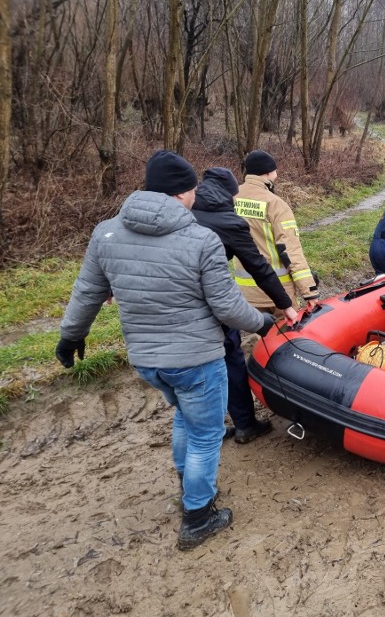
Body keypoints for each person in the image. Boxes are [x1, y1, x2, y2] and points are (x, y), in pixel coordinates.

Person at [55, 150, 277, 551]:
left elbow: (88, 291)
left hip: (147, 359)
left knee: (185, 418)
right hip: (195, 358)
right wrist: (265, 323)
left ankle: (186, 482)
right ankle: (198, 516)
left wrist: (71, 335)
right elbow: (227, 306)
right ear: (182, 193)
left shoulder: (106, 232)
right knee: (207, 434)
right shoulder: (201, 239)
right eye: (192, 190)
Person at [192, 167, 299, 444]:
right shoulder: (228, 221)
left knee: (194, 376)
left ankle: (209, 428)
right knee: (230, 358)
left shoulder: (183, 211)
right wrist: (285, 304)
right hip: (209, 301)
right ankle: (245, 424)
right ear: (230, 194)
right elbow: (259, 266)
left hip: (172, 306)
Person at [232, 150, 319, 313]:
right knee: (286, 335)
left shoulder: (233, 197)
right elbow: (290, 251)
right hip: (278, 291)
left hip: (245, 292)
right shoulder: (276, 204)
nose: (277, 174)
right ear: (267, 172)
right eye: (275, 170)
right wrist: (310, 292)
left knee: (259, 336)